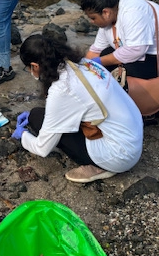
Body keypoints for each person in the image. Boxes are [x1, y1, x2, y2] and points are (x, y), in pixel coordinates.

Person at [13, 35, 143, 183]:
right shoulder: (85, 64)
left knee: (36, 117)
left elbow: (42, 148)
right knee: (40, 115)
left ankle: (101, 166)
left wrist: (23, 136)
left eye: (28, 68)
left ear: (35, 66)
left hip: (120, 156)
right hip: (134, 135)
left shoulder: (62, 88)